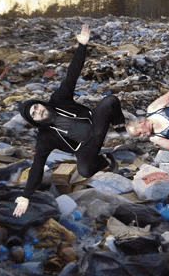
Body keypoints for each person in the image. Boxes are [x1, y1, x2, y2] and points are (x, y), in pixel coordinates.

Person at [13, 24, 126, 217]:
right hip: (84, 146)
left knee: (110, 100)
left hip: (94, 123)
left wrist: (82, 46)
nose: (39, 112)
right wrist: (26, 195)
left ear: (41, 103)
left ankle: (120, 128)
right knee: (84, 169)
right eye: (34, 114)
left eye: (37, 107)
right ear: (35, 121)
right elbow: (37, 166)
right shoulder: (44, 138)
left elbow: (71, 75)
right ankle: (106, 158)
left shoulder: (58, 99)